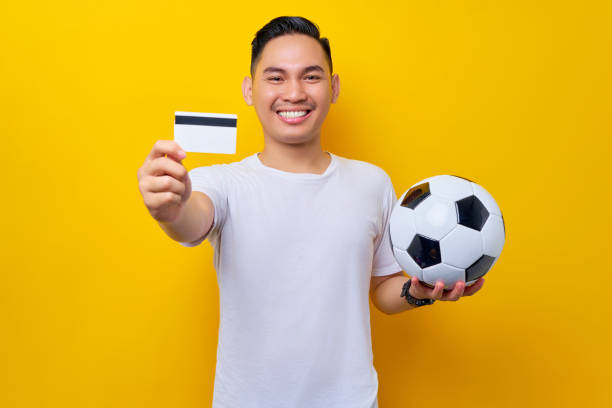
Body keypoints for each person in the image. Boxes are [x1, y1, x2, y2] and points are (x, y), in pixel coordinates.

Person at [136, 16, 484, 408]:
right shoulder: (220, 183)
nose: (295, 92)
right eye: (276, 77)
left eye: (311, 76)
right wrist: (169, 208)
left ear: (333, 88)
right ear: (250, 90)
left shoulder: (372, 183)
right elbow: (189, 222)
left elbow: (382, 290)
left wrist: (416, 292)